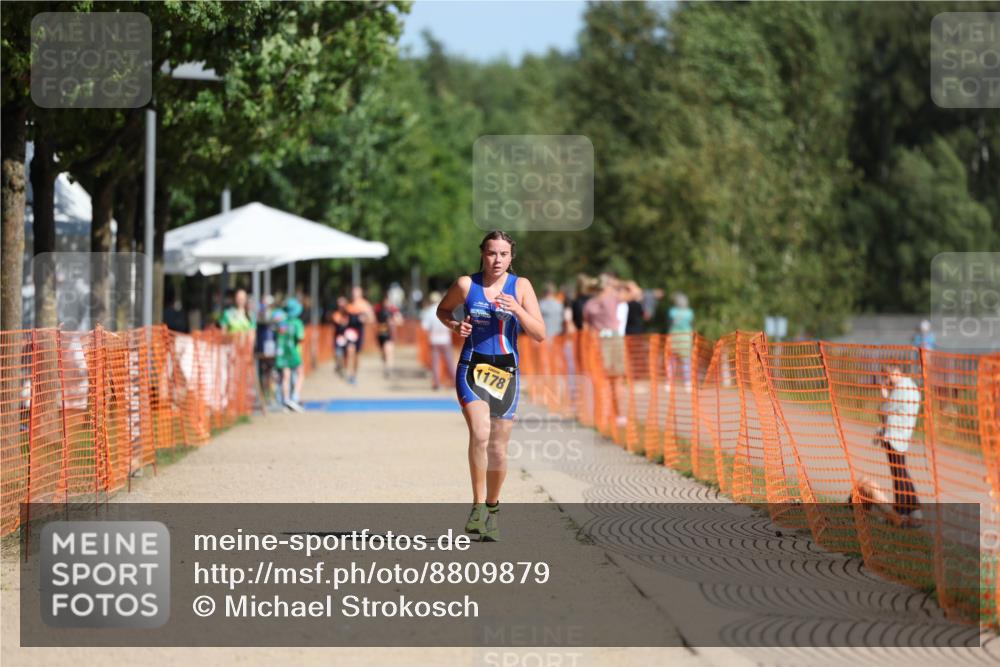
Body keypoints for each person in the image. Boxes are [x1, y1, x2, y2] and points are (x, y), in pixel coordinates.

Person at [436, 230, 545, 542]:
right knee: (480, 434)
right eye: (491, 253)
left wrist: (517, 309)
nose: (497, 259)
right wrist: (455, 324)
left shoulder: (520, 286)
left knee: (498, 446)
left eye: (503, 254)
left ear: (511, 258)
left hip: (505, 371)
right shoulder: (465, 285)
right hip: (472, 365)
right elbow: (443, 310)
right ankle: (477, 508)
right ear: (482, 254)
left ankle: (493, 509)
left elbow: (539, 333)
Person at [875, 365, 922, 520]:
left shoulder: (901, 388)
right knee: (901, 471)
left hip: (895, 436)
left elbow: (884, 410)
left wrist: (884, 395)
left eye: (888, 376)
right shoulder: (912, 387)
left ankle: (901, 510)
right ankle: (914, 507)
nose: (888, 379)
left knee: (898, 473)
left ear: (897, 372)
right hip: (903, 434)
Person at [421, 291, 456, 390]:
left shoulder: (428, 312)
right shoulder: (445, 310)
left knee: (435, 362)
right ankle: (454, 382)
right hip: (445, 339)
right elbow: (452, 325)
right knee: (450, 362)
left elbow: (425, 327)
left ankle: (436, 383)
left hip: (434, 340)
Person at [276, 297, 306, 412]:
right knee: (300, 374)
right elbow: (300, 338)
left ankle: (286, 400)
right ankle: (295, 397)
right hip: (294, 353)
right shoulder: (297, 323)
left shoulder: (282, 323)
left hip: (282, 353)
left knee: (286, 376)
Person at [343, 286, 374, 385]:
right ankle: (348, 372)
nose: (354, 295)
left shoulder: (365, 305)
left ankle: (354, 374)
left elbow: (372, 319)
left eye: (356, 293)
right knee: (349, 350)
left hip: (359, 331)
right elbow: (343, 317)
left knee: (356, 354)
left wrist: (364, 319)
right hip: (349, 331)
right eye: (353, 293)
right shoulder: (348, 305)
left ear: (360, 294)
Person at [667, 292, 695, 392]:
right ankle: (687, 383)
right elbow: (691, 325)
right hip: (686, 337)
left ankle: (669, 382)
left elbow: (669, 324)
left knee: (672, 360)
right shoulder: (689, 312)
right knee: (686, 360)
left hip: (674, 336)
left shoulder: (672, 312)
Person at [374, 292, 404, 379]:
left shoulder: (393, 309)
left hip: (390, 334)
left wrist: (393, 321)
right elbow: (373, 318)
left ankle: (389, 369)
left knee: (389, 351)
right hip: (380, 334)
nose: (386, 303)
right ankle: (386, 365)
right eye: (385, 301)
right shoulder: (378, 309)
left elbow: (400, 320)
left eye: (388, 301)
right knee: (383, 353)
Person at [330, 296, 349, 377]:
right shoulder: (336, 314)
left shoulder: (348, 313)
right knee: (338, 353)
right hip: (338, 337)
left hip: (347, 337)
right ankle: (339, 366)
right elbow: (339, 321)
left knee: (346, 354)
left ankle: (343, 367)